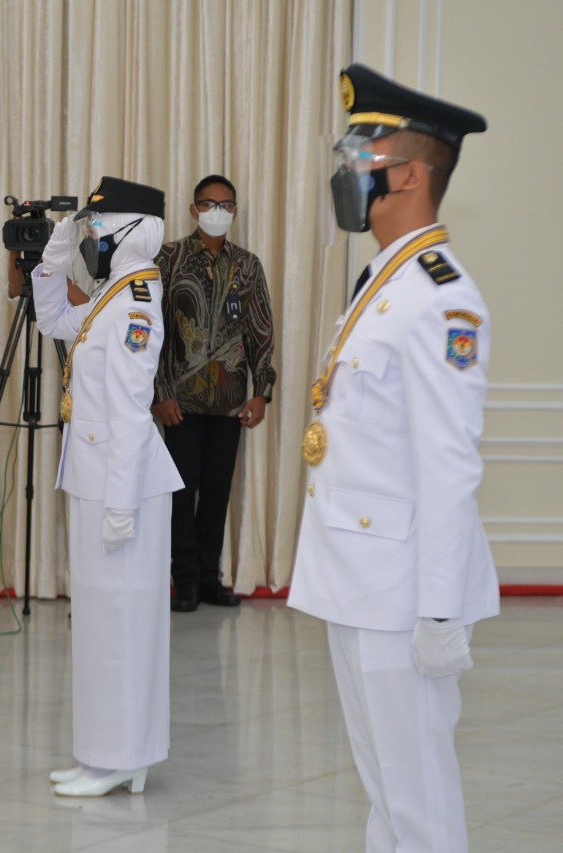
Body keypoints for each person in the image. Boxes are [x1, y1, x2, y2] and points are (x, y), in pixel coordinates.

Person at [288, 64, 498, 852]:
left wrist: (440, 612)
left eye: (363, 156)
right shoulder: (386, 279)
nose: (349, 172)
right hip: (360, 578)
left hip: (404, 592)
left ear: (409, 173)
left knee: (418, 800)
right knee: (384, 789)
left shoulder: (441, 296)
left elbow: (449, 466)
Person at [32, 176, 184, 797]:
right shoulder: (112, 294)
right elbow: (54, 320)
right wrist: (54, 258)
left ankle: (125, 755)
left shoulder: (137, 299)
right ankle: (103, 752)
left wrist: (120, 505)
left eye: (96, 227)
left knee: (123, 624)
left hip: (123, 488)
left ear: (130, 231)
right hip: (98, 479)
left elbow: (128, 409)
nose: (91, 234)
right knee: (99, 623)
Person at [153, 175, 276, 612]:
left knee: (218, 492)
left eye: (226, 205)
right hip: (179, 403)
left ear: (236, 211)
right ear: (193, 210)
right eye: (209, 204)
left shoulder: (248, 266)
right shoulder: (169, 258)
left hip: (229, 402)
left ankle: (209, 579)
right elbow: (152, 333)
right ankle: (183, 581)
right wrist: (159, 392)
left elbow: (261, 331)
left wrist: (261, 391)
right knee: (181, 494)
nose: (217, 212)